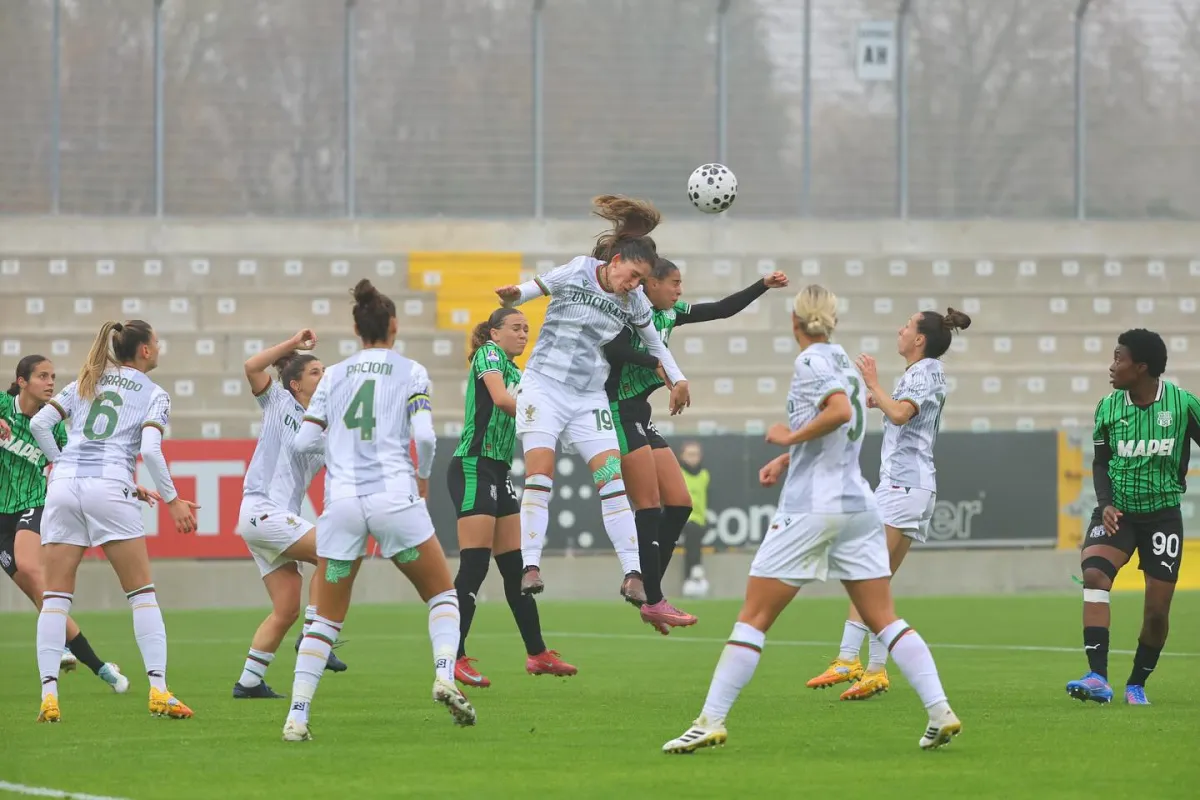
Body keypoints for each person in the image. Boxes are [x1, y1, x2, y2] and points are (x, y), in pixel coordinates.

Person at [661, 285, 961, 754]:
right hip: (858, 502)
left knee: (754, 616)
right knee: (883, 616)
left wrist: (786, 441)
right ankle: (940, 709)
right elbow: (842, 422)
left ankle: (710, 720)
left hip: (813, 506)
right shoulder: (843, 360)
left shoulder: (810, 362)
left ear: (795, 323)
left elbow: (839, 411)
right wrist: (789, 459)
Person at [284, 279, 475, 742]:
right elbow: (425, 438)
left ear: (355, 328)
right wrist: (423, 476)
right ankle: (445, 675)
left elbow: (302, 442)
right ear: (394, 326)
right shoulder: (411, 371)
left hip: (343, 504)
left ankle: (298, 715)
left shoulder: (332, 376)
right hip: (395, 499)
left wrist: (340, 454)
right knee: (442, 596)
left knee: (325, 619)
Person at [493, 195, 690, 630]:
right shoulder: (580, 269)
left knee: (611, 481)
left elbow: (655, 345)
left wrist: (677, 379)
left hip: (587, 397)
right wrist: (516, 295)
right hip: (543, 386)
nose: (634, 286)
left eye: (641, 281)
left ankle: (633, 576)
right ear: (616, 261)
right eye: (633, 277)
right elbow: (539, 286)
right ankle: (530, 565)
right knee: (539, 476)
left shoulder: (634, 301)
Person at [600, 258, 789, 630]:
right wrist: (657, 365)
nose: (679, 290)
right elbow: (613, 349)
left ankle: (643, 583)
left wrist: (761, 284)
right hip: (617, 411)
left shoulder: (671, 314)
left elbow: (720, 310)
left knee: (681, 504)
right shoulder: (628, 308)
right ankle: (649, 593)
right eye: (674, 283)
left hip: (641, 415)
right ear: (650, 284)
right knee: (649, 506)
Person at [30, 320, 199, 723]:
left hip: (65, 485)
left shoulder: (87, 380)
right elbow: (152, 453)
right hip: (109, 487)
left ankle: (49, 698)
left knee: (54, 599)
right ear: (144, 351)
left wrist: (60, 462)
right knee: (141, 593)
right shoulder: (155, 394)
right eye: (156, 343)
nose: (158, 349)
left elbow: (39, 424)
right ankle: (159, 691)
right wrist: (173, 502)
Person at [807, 308, 970, 700]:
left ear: (919, 339)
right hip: (911, 487)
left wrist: (874, 384)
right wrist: (871, 397)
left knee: (863, 571)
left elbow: (900, 414)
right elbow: (897, 410)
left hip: (903, 486)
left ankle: (849, 659)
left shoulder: (924, 371)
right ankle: (876, 670)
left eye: (907, 326)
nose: (900, 330)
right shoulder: (922, 373)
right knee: (877, 581)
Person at [1067, 328, 1200, 706]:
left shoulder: (1182, 404)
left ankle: (1136, 683)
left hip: (1162, 517)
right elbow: (1100, 461)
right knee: (1093, 572)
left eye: (1118, 359)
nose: (1112, 367)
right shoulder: (1108, 407)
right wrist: (1105, 503)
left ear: (1141, 367)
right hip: (1117, 513)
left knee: (1157, 613)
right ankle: (1097, 677)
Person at [449, 308, 576, 688]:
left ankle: (537, 654)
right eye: (516, 328)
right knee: (474, 565)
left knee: (515, 568)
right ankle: (451, 657)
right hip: (474, 464)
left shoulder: (520, 372)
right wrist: (546, 416)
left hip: (499, 471)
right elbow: (503, 400)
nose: (523, 335)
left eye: (527, 329)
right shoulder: (489, 354)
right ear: (494, 332)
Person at [0, 355, 130, 693]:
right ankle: (101, 668)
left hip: (34, 505)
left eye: (53, 376)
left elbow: (79, 461)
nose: (50, 383)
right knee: (43, 596)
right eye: (42, 376)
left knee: (30, 568)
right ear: (22, 381)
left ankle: (60, 648)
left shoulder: (53, 424)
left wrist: (130, 485)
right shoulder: (2, 405)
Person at [232, 330, 348, 700]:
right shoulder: (279, 402)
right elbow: (252, 366)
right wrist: (293, 344)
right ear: (296, 384)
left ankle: (249, 682)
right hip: (262, 510)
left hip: (270, 520)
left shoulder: (325, 425)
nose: (324, 376)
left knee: (285, 609)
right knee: (331, 552)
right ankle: (317, 635)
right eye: (316, 372)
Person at [677, 440, 710, 598]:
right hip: (682, 518)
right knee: (691, 531)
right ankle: (694, 572)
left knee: (694, 536)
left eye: (696, 454)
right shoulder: (678, 474)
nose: (693, 458)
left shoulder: (704, 475)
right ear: (682, 456)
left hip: (699, 520)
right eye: (689, 454)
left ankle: (693, 577)